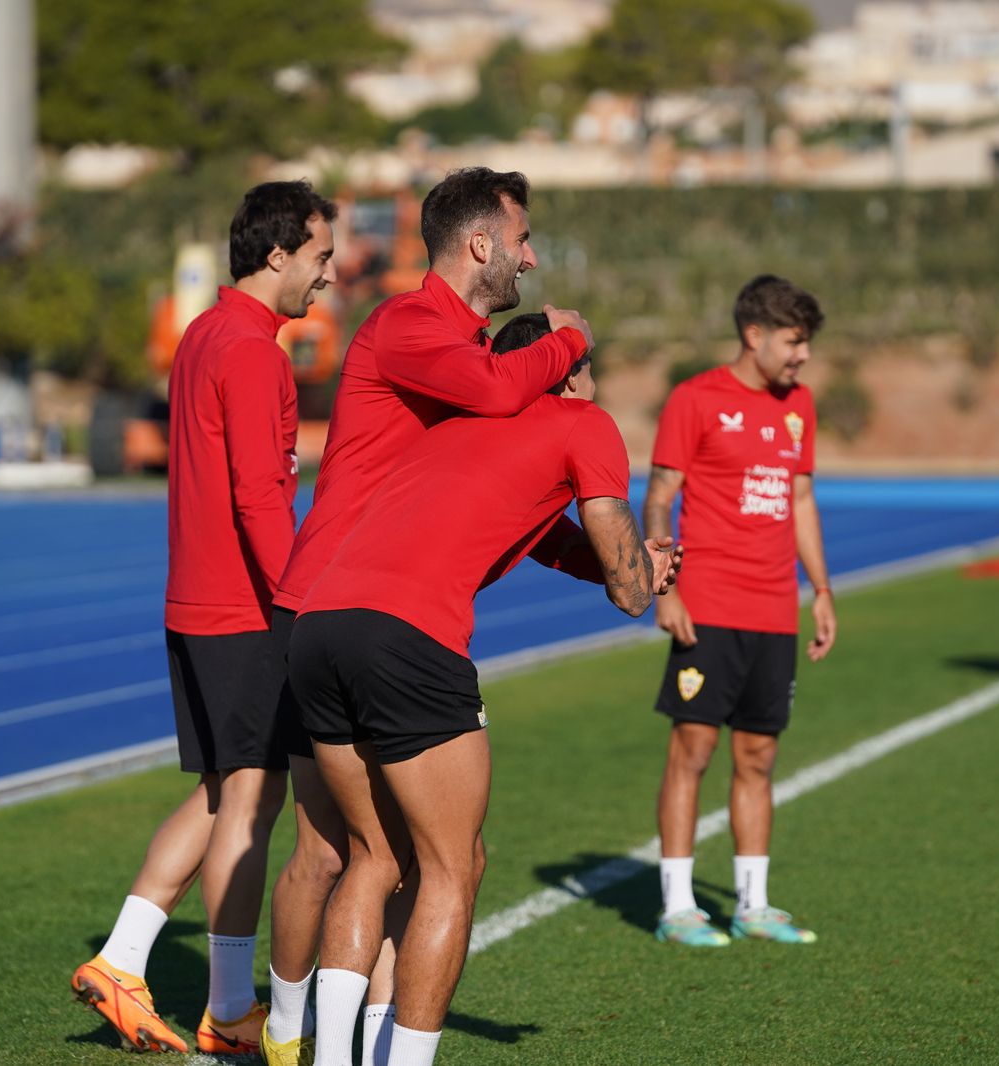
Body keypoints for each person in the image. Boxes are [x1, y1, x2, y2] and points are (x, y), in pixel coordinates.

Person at [262, 168, 594, 1066]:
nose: (531, 258)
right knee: (337, 853)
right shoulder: (412, 325)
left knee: (385, 857)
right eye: (522, 240)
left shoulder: (474, 354)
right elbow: (497, 394)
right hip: (334, 601)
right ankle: (282, 1034)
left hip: (365, 611)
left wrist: (606, 565)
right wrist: (570, 342)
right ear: (480, 244)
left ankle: (337, 1042)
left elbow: (517, 508)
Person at [289, 313, 680, 1066]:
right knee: (453, 866)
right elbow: (633, 592)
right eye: (587, 364)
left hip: (319, 625)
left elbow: (544, 533)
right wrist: (641, 568)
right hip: (406, 637)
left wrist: (620, 561)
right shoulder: (584, 421)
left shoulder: (455, 427)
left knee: (374, 856)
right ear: (565, 371)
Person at [70, 181, 337, 1056]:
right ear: (277, 254)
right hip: (244, 607)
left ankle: (123, 960)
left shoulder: (203, 334)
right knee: (250, 802)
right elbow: (260, 497)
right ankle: (225, 1010)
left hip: (196, 600)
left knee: (226, 791)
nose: (328, 276)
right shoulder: (255, 352)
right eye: (320, 257)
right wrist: (300, 602)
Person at [644, 274, 835, 949]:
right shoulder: (695, 399)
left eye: (806, 343)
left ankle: (753, 904)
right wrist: (664, 587)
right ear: (754, 335)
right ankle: (677, 908)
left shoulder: (799, 404)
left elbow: (801, 499)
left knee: (758, 755)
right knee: (692, 750)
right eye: (794, 341)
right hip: (708, 605)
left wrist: (821, 588)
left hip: (774, 609)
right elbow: (660, 497)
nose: (803, 356)